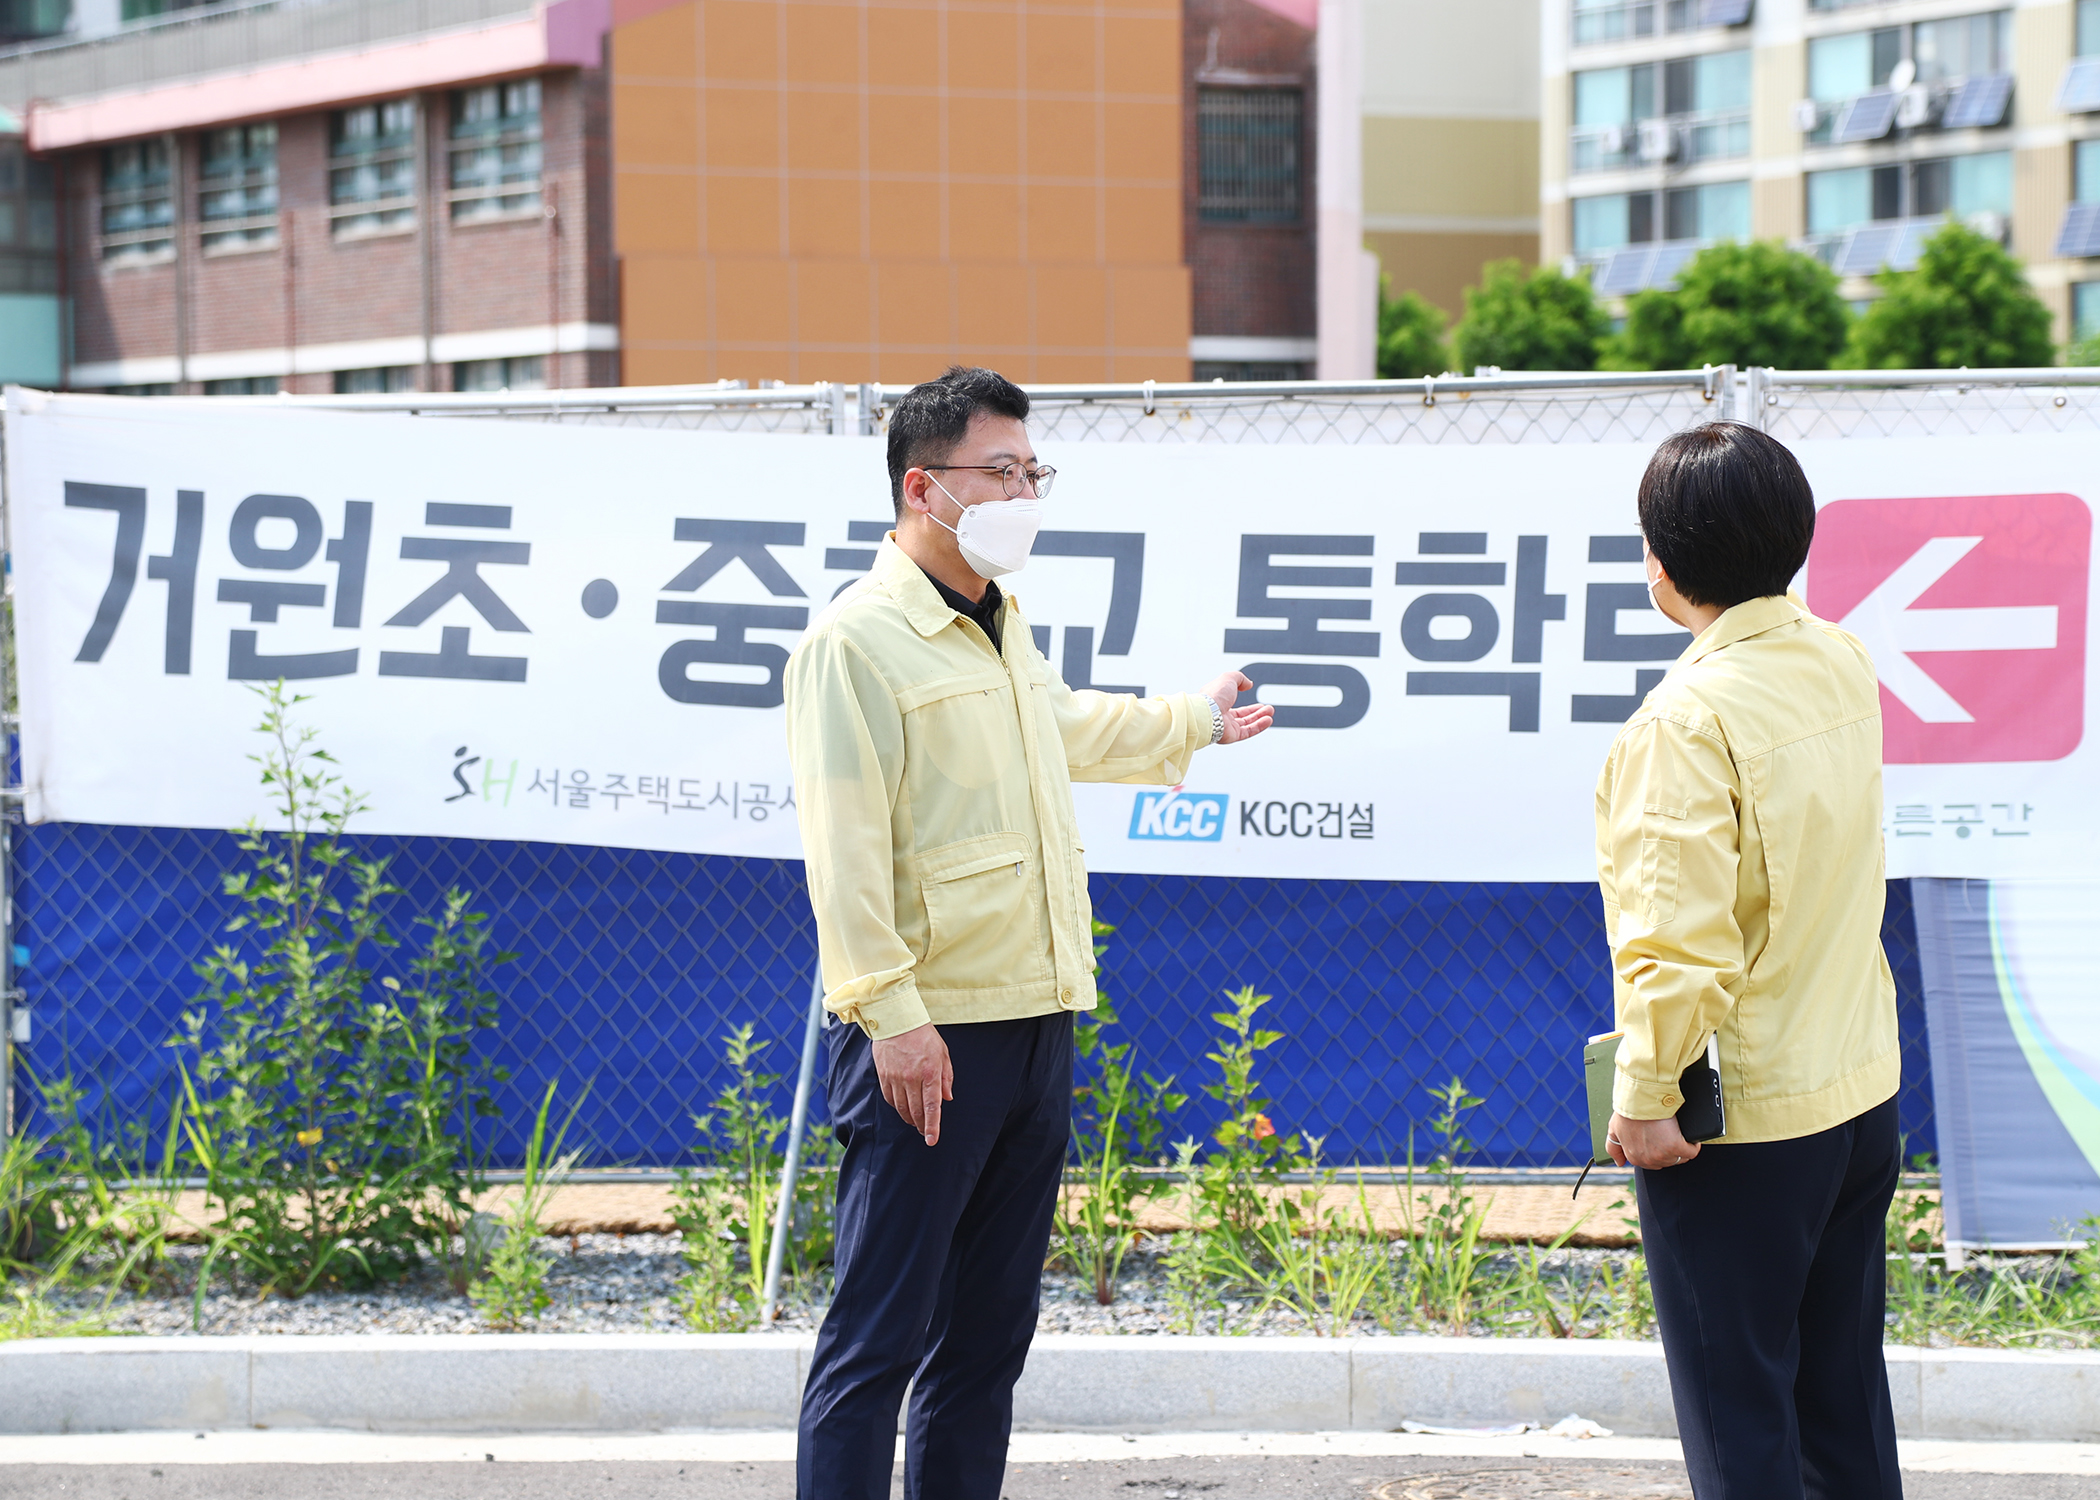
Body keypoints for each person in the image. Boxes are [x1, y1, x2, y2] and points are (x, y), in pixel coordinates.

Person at [784, 366, 1273, 1500]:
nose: (1025, 491)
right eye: (1000, 471)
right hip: (929, 1039)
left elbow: (1058, 726)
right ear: (923, 487)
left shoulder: (1001, 622)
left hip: (1035, 1015)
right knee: (877, 1342)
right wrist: (894, 1021)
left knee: (987, 1341)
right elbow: (844, 856)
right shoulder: (856, 645)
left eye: (1032, 470)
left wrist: (1193, 720)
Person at [1597, 421, 1903, 1500]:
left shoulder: (1683, 720)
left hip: (1747, 1121)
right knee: (1841, 1409)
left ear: (1666, 563)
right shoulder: (1839, 656)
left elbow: (1676, 945)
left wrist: (1644, 1096)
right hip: (1857, 1092)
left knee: (1742, 1431)